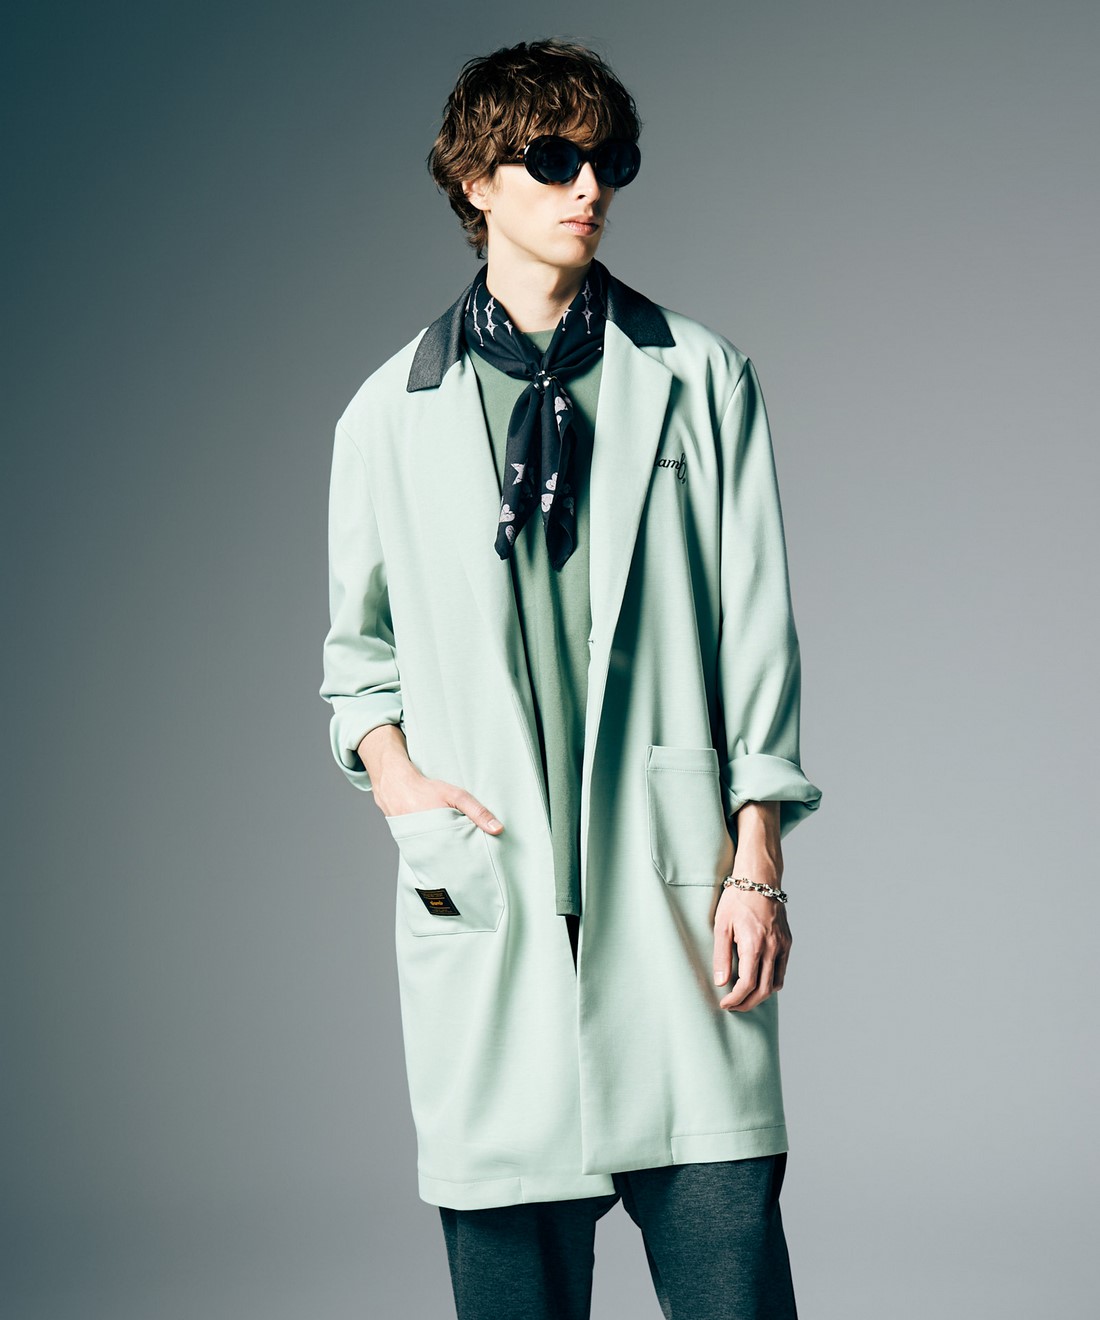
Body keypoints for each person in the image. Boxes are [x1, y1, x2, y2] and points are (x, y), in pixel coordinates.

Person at [320, 38, 822, 1320]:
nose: (587, 186)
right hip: (492, 898)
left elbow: (755, 636)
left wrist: (755, 861)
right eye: (552, 159)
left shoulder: (698, 376)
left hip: (676, 898)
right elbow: (356, 660)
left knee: (730, 1281)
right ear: (475, 180)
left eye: (609, 161)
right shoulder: (387, 415)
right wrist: (400, 787)